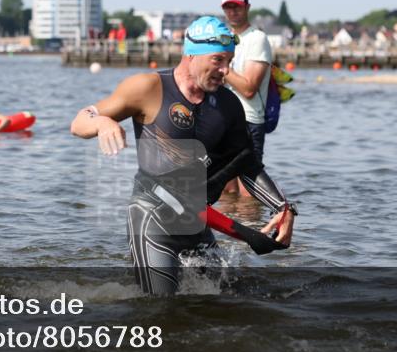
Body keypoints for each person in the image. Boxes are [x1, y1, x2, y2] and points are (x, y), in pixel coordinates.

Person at [70, 16, 297, 295]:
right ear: (191, 54)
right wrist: (102, 122)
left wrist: (284, 207)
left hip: (196, 225)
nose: (226, 70)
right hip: (153, 220)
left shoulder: (228, 104)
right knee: (161, 310)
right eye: (218, 60)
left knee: (232, 300)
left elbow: (247, 165)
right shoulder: (149, 88)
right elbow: (80, 122)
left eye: (230, 61)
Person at [219, 0, 273, 195]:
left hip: (248, 121)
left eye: (237, 6)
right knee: (224, 189)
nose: (232, 11)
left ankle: (253, 225)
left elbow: (249, 88)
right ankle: (225, 228)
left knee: (247, 191)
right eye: (228, 7)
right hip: (222, 120)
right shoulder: (222, 38)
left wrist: (221, 67)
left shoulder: (257, 38)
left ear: (247, 7)